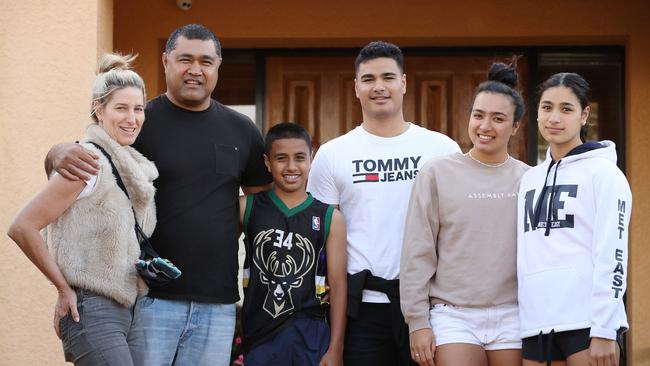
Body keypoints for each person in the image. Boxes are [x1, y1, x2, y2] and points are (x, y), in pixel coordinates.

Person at [44, 24, 272, 365]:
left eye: (206, 61)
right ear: (166, 61)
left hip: (218, 301)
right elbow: (93, 154)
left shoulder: (242, 129)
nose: (195, 69)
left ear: (218, 66)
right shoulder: (140, 119)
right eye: (185, 59)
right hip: (149, 298)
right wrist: (55, 153)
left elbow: (260, 201)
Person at [307, 41, 460, 366]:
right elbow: (319, 242)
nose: (379, 87)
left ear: (403, 83)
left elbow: (459, 228)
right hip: (361, 309)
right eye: (369, 79)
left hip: (429, 308)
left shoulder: (441, 148)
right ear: (356, 88)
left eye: (388, 77)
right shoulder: (333, 155)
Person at [7, 53, 156, 365]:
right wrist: (63, 289)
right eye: (121, 108)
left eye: (138, 109)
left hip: (129, 310)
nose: (132, 118)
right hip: (93, 309)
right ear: (99, 111)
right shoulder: (88, 161)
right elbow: (23, 226)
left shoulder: (133, 167)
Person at [400, 61, 529, 366]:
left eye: (498, 119)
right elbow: (417, 251)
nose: (485, 126)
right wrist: (417, 322)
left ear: (515, 126)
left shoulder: (529, 179)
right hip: (452, 314)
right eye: (478, 115)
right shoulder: (437, 172)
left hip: (514, 313)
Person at [517, 72, 631, 366]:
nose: (554, 117)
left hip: (588, 323)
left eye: (566, 109)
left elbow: (613, 252)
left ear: (584, 115)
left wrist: (605, 329)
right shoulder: (530, 179)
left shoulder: (604, 174)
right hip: (536, 324)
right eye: (546, 107)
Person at [239, 122, 347, 366]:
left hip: (311, 332)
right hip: (260, 333)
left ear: (312, 157)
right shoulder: (247, 208)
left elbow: (339, 286)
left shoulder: (330, 217)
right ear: (267, 162)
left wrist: (336, 348)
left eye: (299, 158)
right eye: (281, 158)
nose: (291, 167)